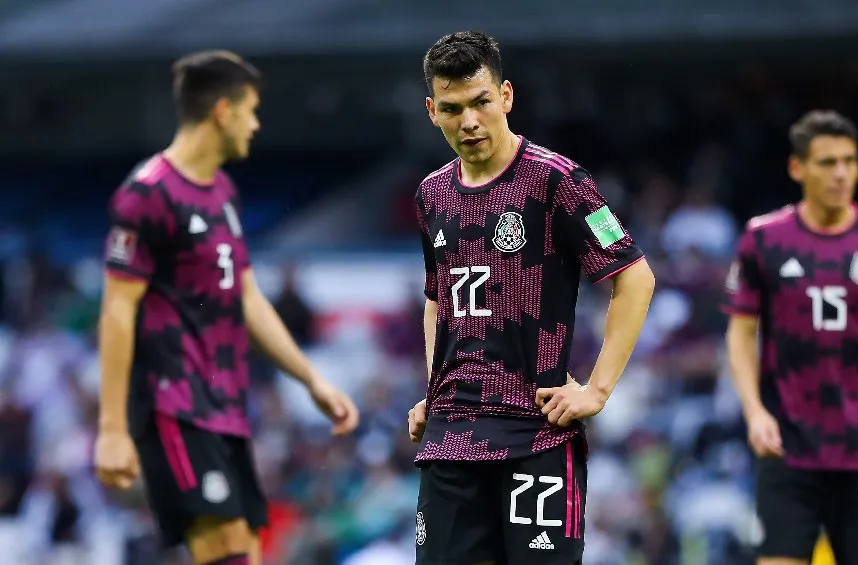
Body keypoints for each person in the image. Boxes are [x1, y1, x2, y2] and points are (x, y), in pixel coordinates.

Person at [92, 50, 360, 565]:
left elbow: (247, 296)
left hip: (226, 405)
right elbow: (116, 311)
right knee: (223, 551)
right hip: (173, 404)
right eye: (251, 109)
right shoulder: (146, 195)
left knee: (246, 550)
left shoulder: (223, 194)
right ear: (221, 111)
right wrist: (111, 430)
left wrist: (311, 380)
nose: (256, 124)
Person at [406, 31, 655, 565]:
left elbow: (634, 275)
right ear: (432, 111)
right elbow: (438, 297)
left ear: (507, 97)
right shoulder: (431, 195)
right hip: (452, 438)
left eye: (481, 102)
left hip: (535, 436)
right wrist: (436, 386)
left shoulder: (556, 180)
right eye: (452, 108)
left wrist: (598, 390)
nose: (469, 121)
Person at [724, 109, 858, 565]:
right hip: (787, 450)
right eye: (827, 162)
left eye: (849, 161)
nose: (841, 173)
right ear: (797, 168)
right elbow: (741, 334)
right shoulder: (763, 240)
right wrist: (754, 412)